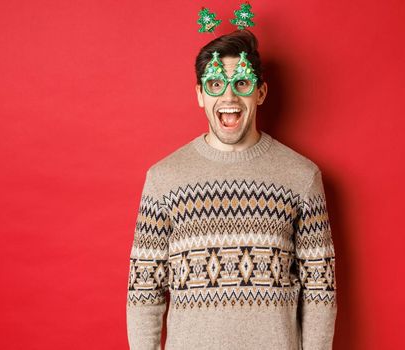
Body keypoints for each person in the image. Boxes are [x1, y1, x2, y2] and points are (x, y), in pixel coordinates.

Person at [125, 29, 337, 350]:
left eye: (241, 83)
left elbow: (320, 290)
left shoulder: (302, 177)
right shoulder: (163, 179)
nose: (228, 97)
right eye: (214, 85)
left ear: (261, 92)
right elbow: (144, 292)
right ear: (199, 94)